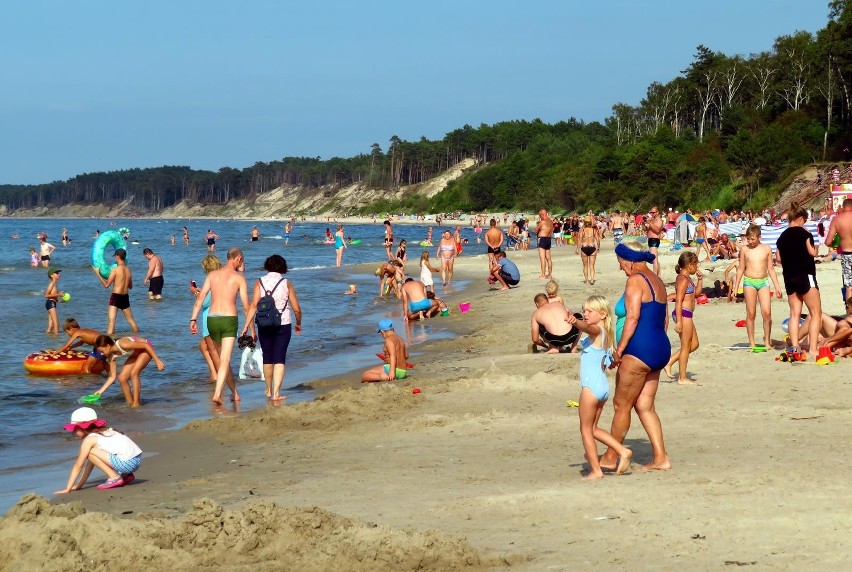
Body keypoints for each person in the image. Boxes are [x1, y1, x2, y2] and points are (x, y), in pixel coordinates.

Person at [600, 241, 671, 472]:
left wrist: (619, 351)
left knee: (622, 404)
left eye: (621, 263)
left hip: (638, 350)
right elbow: (664, 319)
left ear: (630, 260)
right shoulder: (657, 280)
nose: (621, 268)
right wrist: (654, 343)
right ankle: (661, 458)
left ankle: (611, 457)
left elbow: (632, 318)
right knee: (645, 405)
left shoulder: (634, 280)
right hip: (659, 346)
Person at [566, 295, 632, 479]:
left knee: (586, 430)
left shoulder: (596, 330)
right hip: (602, 387)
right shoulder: (607, 333)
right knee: (593, 429)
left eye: (589, 311)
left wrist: (575, 321)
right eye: (584, 310)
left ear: (603, 314)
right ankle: (622, 451)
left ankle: (596, 471)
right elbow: (610, 361)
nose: (586, 314)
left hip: (591, 388)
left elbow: (586, 327)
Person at [190, 247, 250, 405]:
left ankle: (234, 393)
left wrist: (193, 320)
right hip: (229, 319)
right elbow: (246, 306)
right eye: (241, 261)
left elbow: (200, 299)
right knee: (225, 359)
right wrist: (250, 327)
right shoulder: (238, 278)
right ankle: (217, 393)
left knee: (223, 360)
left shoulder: (212, 275)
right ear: (238, 259)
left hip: (212, 320)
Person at [241, 254, 302, 401]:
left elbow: (254, 305)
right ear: (282, 267)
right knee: (279, 358)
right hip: (283, 323)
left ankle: (268, 390)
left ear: (267, 266)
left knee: (267, 357)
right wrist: (298, 323)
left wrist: (245, 327)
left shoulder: (259, 282)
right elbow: (297, 309)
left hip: (264, 324)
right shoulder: (286, 282)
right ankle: (276, 393)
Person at [54, 407, 142, 493]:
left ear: (83, 427)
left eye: (75, 428)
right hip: (136, 461)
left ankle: (114, 477)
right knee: (92, 453)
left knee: (90, 452)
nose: (73, 432)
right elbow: (91, 464)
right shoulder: (107, 431)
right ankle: (126, 476)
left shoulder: (90, 439)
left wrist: (68, 489)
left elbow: (78, 466)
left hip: (127, 464)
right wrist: (79, 486)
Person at [776, 205, 822, 357]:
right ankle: (813, 348)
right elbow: (812, 252)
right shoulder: (805, 233)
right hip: (805, 275)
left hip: (789, 277)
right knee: (815, 313)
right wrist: (817, 246)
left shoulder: (781, 237)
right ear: (801, 218)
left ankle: (795, 347)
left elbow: (778, 259)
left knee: (794, 314)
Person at [733, 225, 783, 348]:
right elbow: (740, 268)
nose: (750, 242)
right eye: (748, 239)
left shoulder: (766, 249)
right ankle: (752, 342)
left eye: (752, 239)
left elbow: (771, 269)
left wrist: (777, 287)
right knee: (751, 313)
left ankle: (767, 341)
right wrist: (735, 287)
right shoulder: (745, 249)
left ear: (759, 237)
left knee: (766, 313)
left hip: (763, 281)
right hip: (749, 282)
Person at [91, 334, 165, 407]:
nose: (101, 354)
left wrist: (157, 361)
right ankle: (130, 403)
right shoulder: (111, 357)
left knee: (134, 374)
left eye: (101, 351)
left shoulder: (123, 344)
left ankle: (136, 404)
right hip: (135, 353)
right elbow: (112, 377)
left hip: (146, 348)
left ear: (108, 346)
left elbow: (146, 345)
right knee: (122, 378)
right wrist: (101, 391)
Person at [663, 252, 703, 384]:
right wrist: (679, 321)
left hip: (688, 314)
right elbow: (678, 300)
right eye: (696, 265)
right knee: (685, 346)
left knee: (695, 344)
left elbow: (696, 294)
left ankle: (670, 362)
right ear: (689, 265)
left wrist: (700, 280)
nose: (697, 267)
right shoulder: (681, 279)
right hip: (683, 314)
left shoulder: (688, 279)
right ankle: (682, 377)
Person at [92, 248, 139, 335]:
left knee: (111, 321)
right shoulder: (128, 270)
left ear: (117, 256)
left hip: (116, 296)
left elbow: (106, 285)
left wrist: (97, 273)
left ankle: (109, 342)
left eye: (115, 256)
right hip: (125, 296)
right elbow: (130, 286)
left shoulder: (115, 270)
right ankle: (139, 337)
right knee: (131, 320)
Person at [192, 255, 224, 381]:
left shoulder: (210, 279)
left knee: (213, 349)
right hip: (225, 316)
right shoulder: (223, 277)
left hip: (210, 317)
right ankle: (214, 373)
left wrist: (195, 292)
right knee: (203, 346)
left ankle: (220, 376)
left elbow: (205, 302)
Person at [825, 198, 852, 302]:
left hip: (847, 255)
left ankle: (850, 314)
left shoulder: (837, 220)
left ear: (844, 207)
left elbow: (828, 242)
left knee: (849, 287)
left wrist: (836, 243)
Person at [579, 215, 601, 285]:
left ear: (584, 222)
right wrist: (598, 247)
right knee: (592, 266)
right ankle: (591, 280)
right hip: (592, 247)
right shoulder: (594, 230)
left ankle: (586, 280)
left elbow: (579, 240)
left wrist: (577, 249)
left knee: (585, 266)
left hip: (584, 247)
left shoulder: (582, 230)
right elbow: (598, 239)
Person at [535, 209, 554, 279]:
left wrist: (538, 224)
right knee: (548, 258)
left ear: (542, 214)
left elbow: (536, 230)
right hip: (548, 239)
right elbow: (551, 230)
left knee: (542, 257)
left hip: (542, 239)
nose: (540, 217)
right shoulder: (551, 222)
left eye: (540, 216)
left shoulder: (542, 222)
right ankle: (549, 274)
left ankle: (543, 274)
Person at [44, 267, 64, 334]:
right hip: (50, 303)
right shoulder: (52, 283)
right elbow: (46, 295)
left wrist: (59, 300)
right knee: (56, 323)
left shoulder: (55, 283)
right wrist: (59, 294)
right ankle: (56, 337)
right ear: (52, 275)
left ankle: (47, 336)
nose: (59, 274)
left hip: (52, 303)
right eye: (57, 273)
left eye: (58, 273)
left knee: (51, 325)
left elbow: (54, 295)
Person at [645, 207, 664, 275]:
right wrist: (644, 223)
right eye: (651, 212)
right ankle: (658, 276)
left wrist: (650, 223)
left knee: (654, 260)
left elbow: (657, 230)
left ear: (657, 212)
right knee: (656, 260)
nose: (652, 214)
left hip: (654, 240)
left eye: (653, 212)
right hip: (651, 240)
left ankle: (655, 276)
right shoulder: (653, 220)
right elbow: (647, 230)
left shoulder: (659, 220)